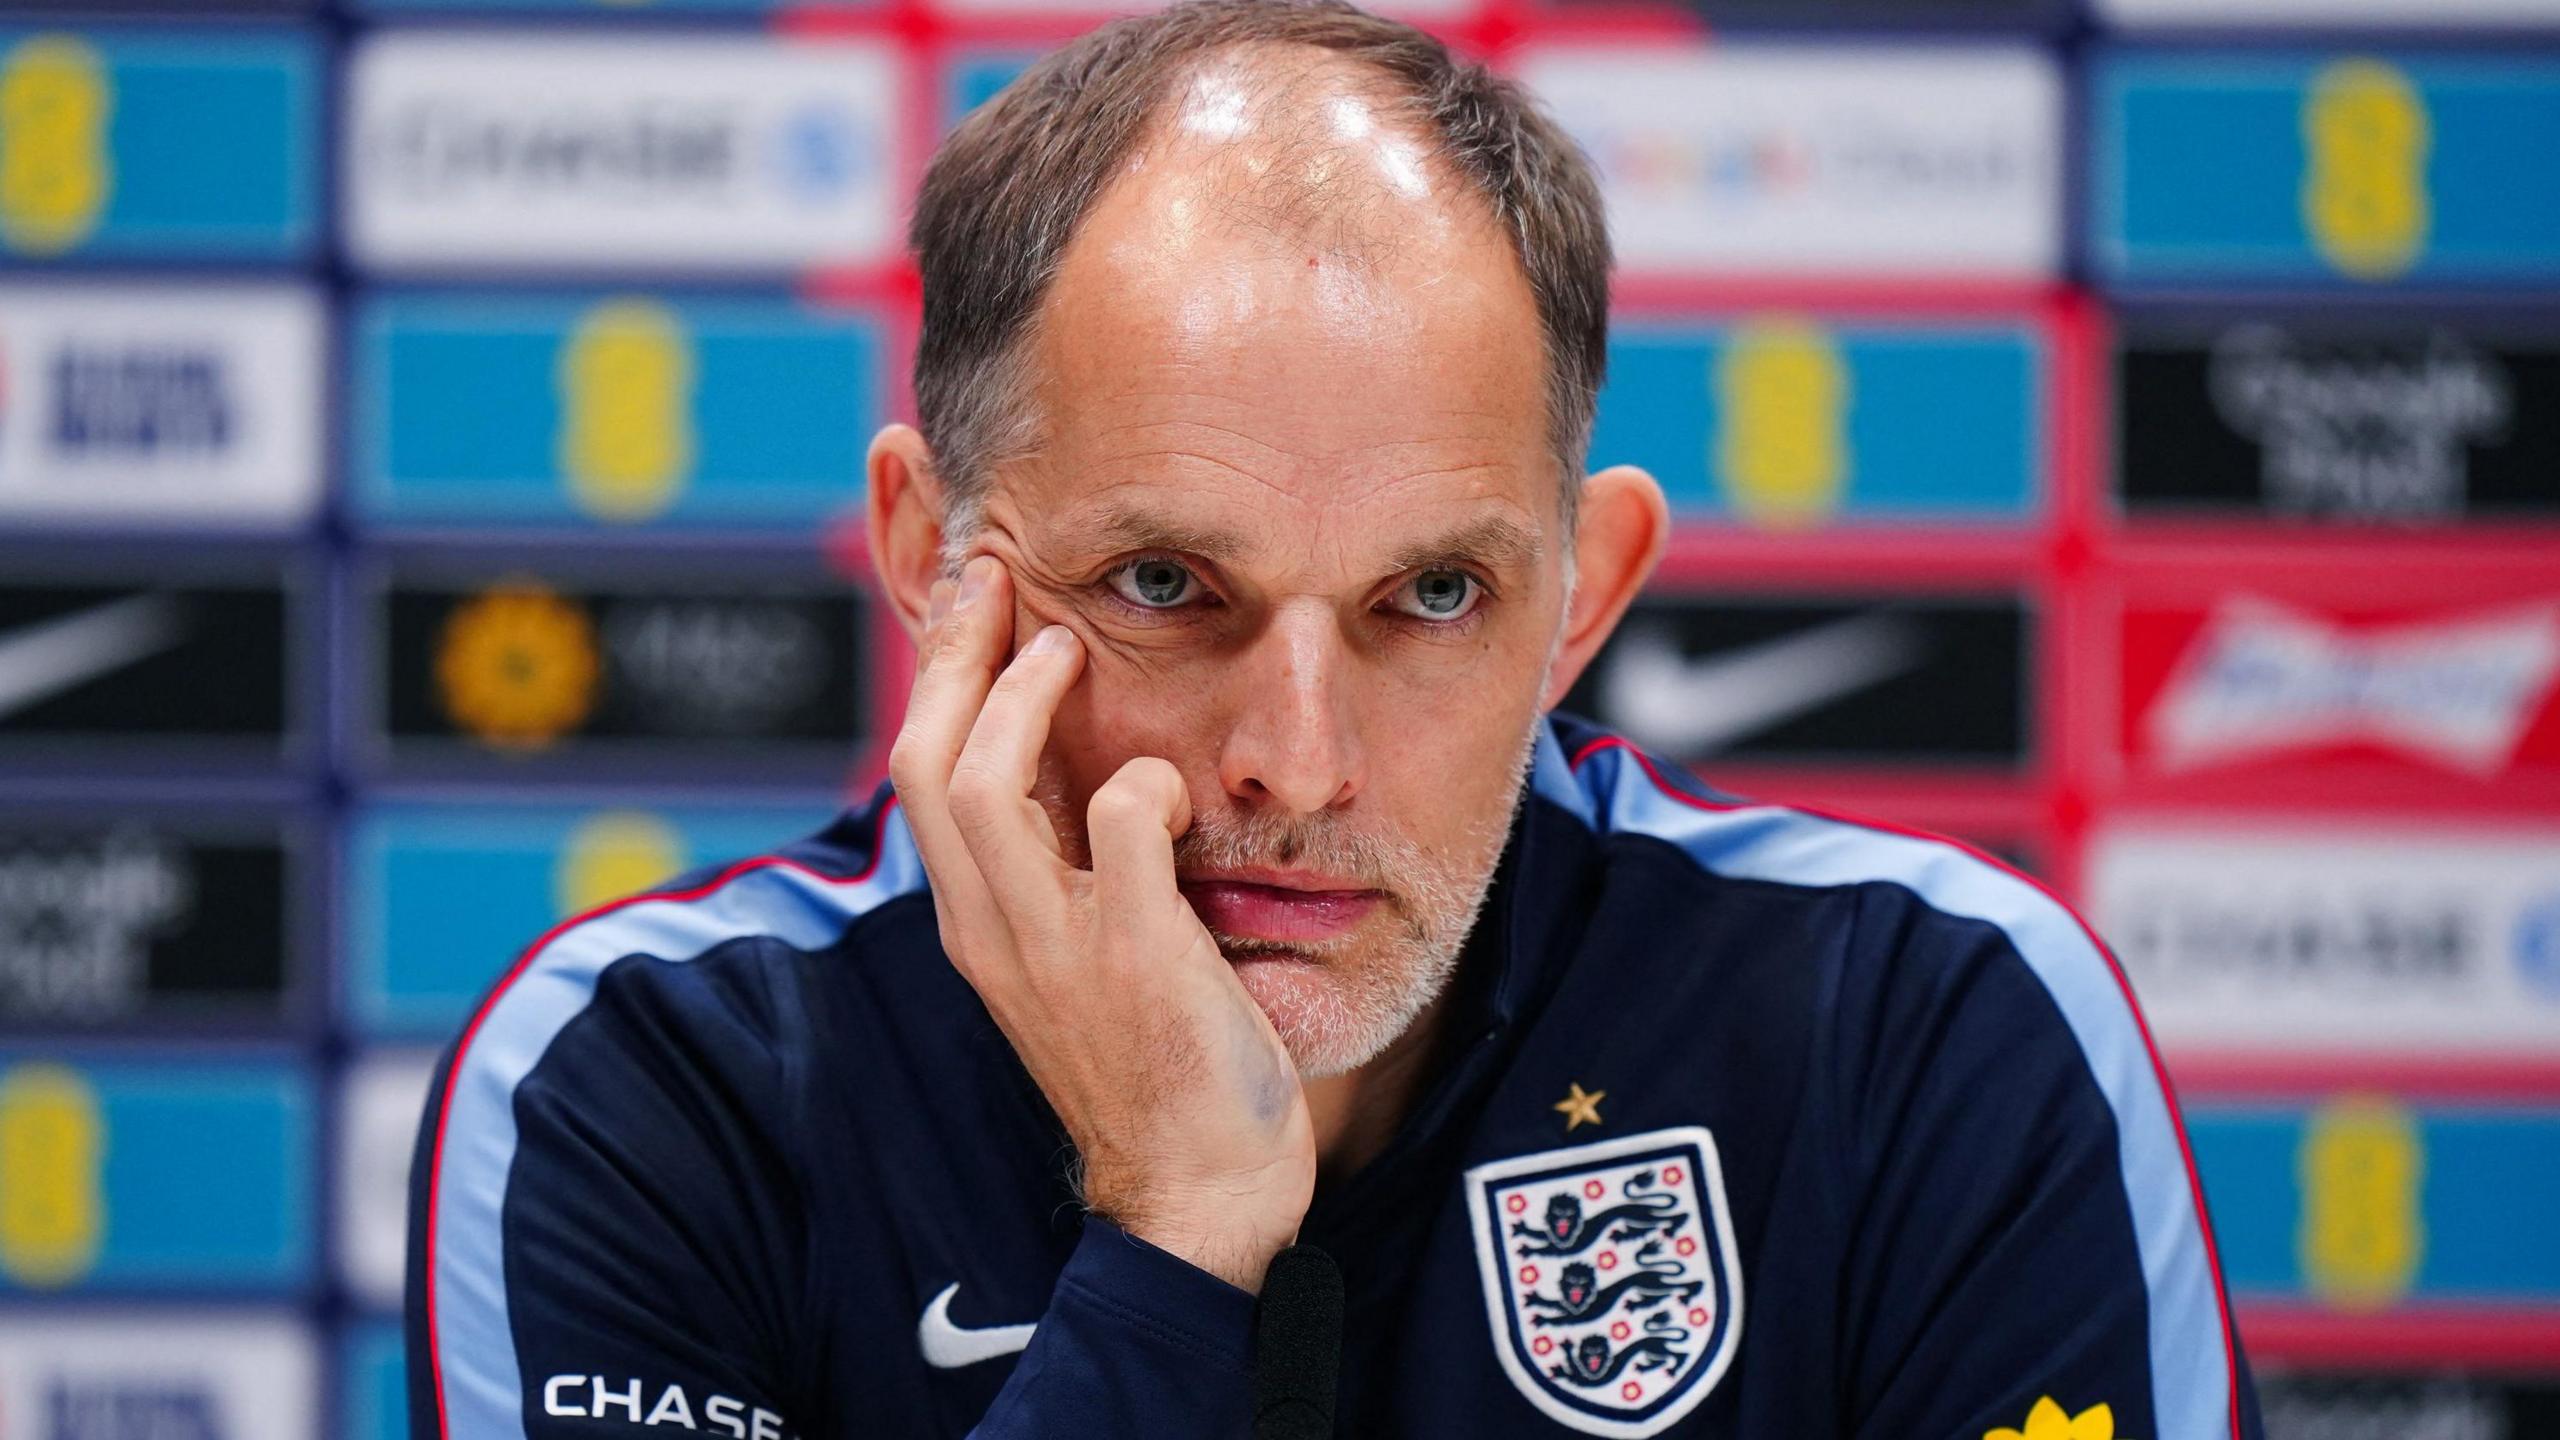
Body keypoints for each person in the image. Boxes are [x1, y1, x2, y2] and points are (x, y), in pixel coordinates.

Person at [404, 2, 2263, 1435]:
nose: (1296, 756)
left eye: (1432, 598)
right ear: (929, 552)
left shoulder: (1927, 1028)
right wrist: (1178, 1232)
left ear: (1582, 599)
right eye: (1165, 588)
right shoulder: (644, 1086)